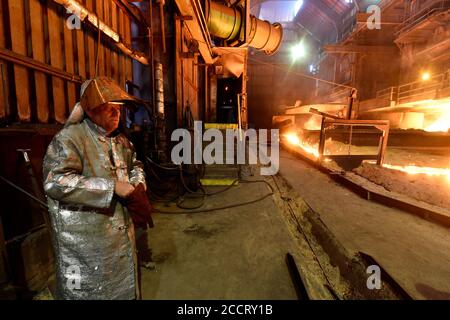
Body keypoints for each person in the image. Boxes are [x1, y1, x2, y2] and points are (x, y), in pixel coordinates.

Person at [43, 77, 152, 300]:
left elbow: (136, 165)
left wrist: (138, 185)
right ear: (90, 111)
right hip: (86, 245)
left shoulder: (121, 140)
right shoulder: (69, 139)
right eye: (108, 107)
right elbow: (55, 182)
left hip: (119, 239)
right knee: (88, 292)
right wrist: (111, 187)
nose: (116, 113)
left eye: (118, 108)